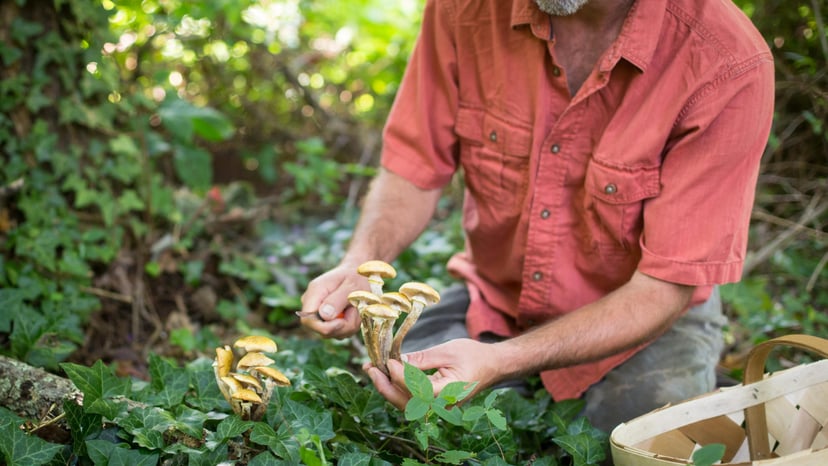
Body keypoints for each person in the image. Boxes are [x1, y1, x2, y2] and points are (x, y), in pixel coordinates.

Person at [299, 0, 774, 434]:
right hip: (498, 302)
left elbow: (662, 287)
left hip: (644, 323)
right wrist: (360, 265)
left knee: (644, 439)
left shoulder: (727, 63)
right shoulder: (464, 9)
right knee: (401, 406)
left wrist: (504, 361)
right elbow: (413, 168)